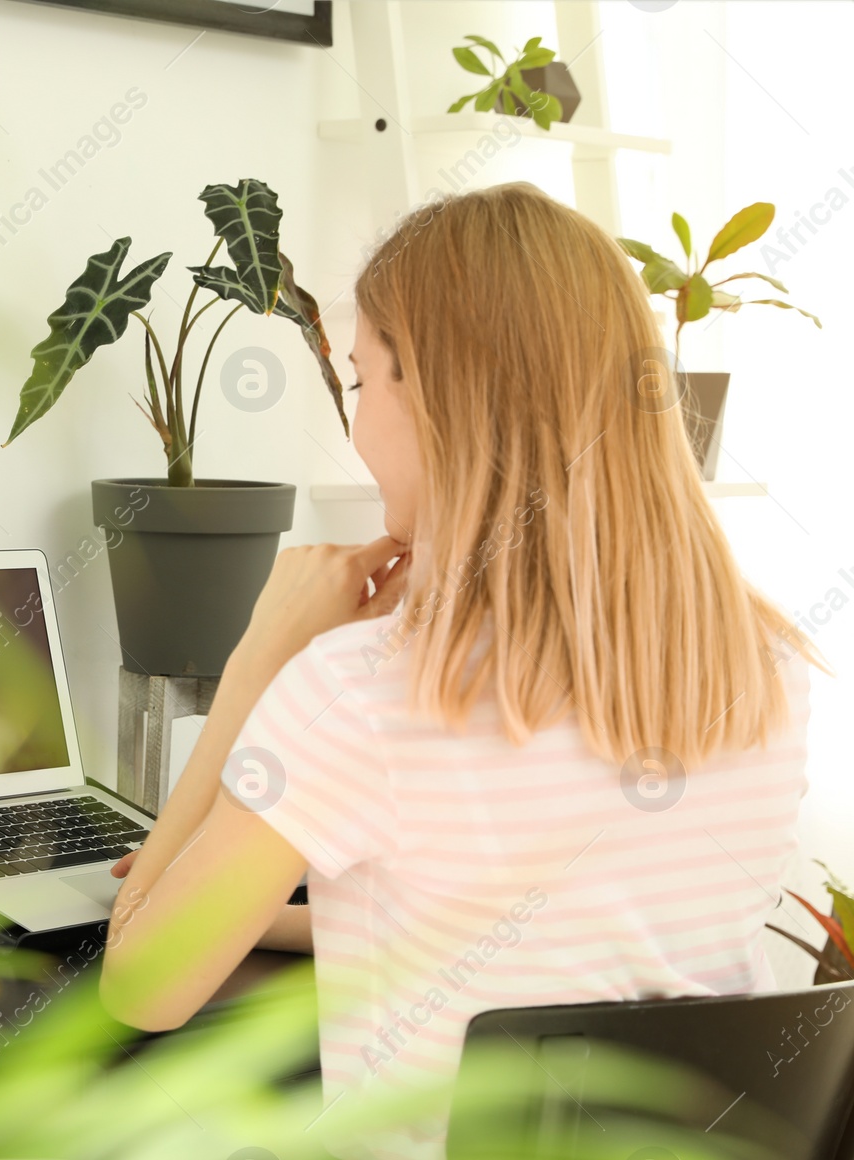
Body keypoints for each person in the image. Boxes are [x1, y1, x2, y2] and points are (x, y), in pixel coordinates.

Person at [99, 182, 817, 1156]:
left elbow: (141, 985)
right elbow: (539, 935)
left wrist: (259, 659)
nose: (356, 428)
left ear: (437, 394)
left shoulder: (357, 694)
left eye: (361, 383)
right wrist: (261, 911)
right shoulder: (758, 671)